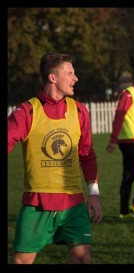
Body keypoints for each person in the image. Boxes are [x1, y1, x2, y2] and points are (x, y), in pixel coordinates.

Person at [7, 53, 103, 264]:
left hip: (73, 203)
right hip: (37, 204)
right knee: (21, 261)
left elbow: (87, 155)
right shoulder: (27, 111)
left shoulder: (79, 111)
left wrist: (93, 194)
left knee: (82, 258)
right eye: (69, 73)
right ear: (52, 78)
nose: (75, 78)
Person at [106, 67, 134, 220]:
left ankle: (124, 211)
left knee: (128, 176)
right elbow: (119, 116)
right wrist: (112, 140)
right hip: (129, 141)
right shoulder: (128, 94)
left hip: (132, 140)